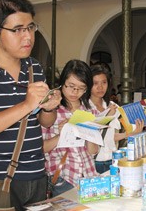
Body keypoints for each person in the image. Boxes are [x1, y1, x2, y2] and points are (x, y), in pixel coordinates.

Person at [0, 0, 62, 210]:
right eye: (18, 30)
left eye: (31, 28)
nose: (28, 37)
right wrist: (25, 105)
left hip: (37, 176)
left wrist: (50, 108)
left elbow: (45, 122)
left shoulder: (34, 67)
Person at [42, 59, 99, 197]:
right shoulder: (51, 109)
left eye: (81, 88)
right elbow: (41, 148)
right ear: (62, 82)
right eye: (71, 86)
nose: (75, 92)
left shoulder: (90, 111)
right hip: (64, 177)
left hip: (88, 175)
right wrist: (62, 134)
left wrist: (88, 133)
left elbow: (93, 151)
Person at [90, 64, 144, 173]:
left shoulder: (111, 106)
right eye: (95, 83)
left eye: (104, 82)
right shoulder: (84, 107)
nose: (100, 87)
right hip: (93, 161)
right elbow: (90, 137)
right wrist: (108, 116)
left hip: (112, 159)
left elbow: (110, 136)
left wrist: (130, 133)